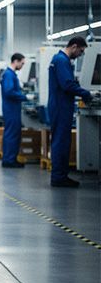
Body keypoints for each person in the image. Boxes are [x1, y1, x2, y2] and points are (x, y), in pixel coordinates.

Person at [48, 36, 92, 187]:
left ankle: (59, 175)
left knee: (60, 141)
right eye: (80, 51)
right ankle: (59, 177)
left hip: (60, 106)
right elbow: (67, 85)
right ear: (74, 46)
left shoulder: (59, 59)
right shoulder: (61, 60)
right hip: (61, 107)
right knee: (61, 142)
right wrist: (85, 93)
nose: (80, 54)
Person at [0, 53, 28, 168]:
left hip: (12, 109)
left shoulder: (11, 74)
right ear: (16, 61)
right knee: (12, 134)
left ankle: (9, 158)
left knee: (11, 133)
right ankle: (9, 160)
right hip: (11, 109)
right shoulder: (9, 74)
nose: (22, 66)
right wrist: (25, 97)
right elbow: (9, 92)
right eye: (22, 63)